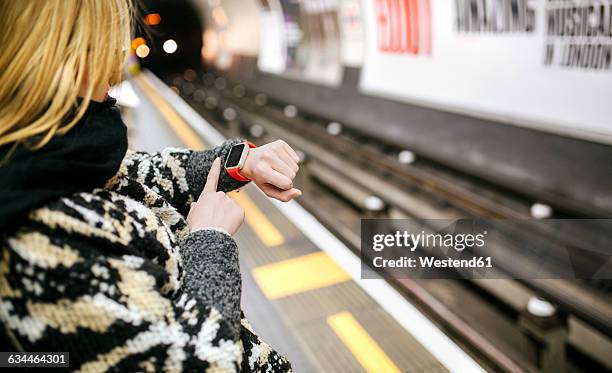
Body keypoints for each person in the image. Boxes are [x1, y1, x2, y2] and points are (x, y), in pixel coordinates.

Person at [0, 1, 299, 371]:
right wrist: (208, 241)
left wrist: (240, 163)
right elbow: (198, 364)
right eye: (106, 46)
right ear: (58, 59)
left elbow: (134, 176)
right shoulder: (40, 242)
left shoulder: (45, 151)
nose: (118, 69)